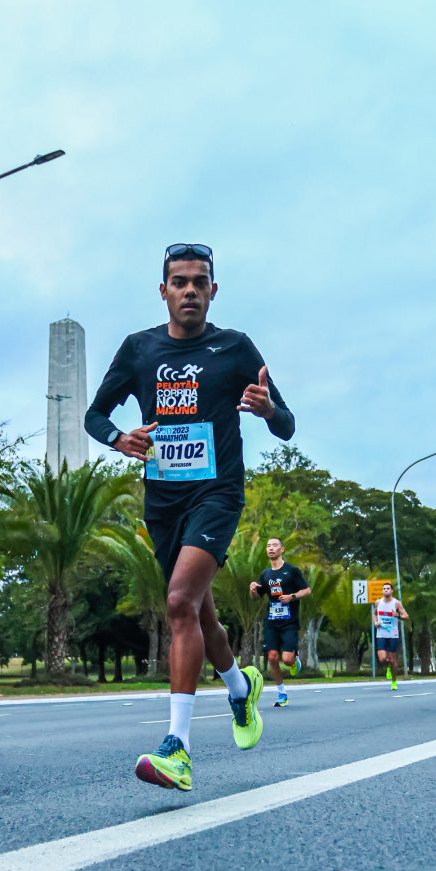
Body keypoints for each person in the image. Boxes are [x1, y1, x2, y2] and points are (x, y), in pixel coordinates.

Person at [85, 244, 295, 790]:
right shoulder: (139, 349)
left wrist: (268, 408)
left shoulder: (234, 348)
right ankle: (240, 689)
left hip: (218, 493)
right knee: (199, 614)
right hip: (163, 502)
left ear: (213, 291)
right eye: (179, 282)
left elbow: (287, 424)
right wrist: (118, 437)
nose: (190, 291)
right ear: (163, 292)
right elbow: (94, 414)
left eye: (200, 282)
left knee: (178, 601)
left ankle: (177, 747)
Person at [250, 537, 310, 706]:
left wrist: (292, 597)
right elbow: (255, 598)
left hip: (289, 621)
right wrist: (253, 590)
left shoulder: (292, 571)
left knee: (287, 659)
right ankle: (281, 693)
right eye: (268, 546)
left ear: (282, 549)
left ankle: (294, 660)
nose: (271, 548)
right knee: (272, 656)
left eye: (274, 545)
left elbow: (306, 590)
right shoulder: (265, 574)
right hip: (271, 621)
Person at [372, 582, 409, 690]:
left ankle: (393, 682)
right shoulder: (378, 602)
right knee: (382, 659)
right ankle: (387, 666)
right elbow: (374, 613)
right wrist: (375, 622)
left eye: (388, 588)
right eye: (384, 588)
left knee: (393, 660)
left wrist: (397, 615)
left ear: (392, 591)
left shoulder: (396, 603)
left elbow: (406, 616)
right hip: (381, 634)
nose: (386, 590)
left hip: (393, 634)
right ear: (382, 591)